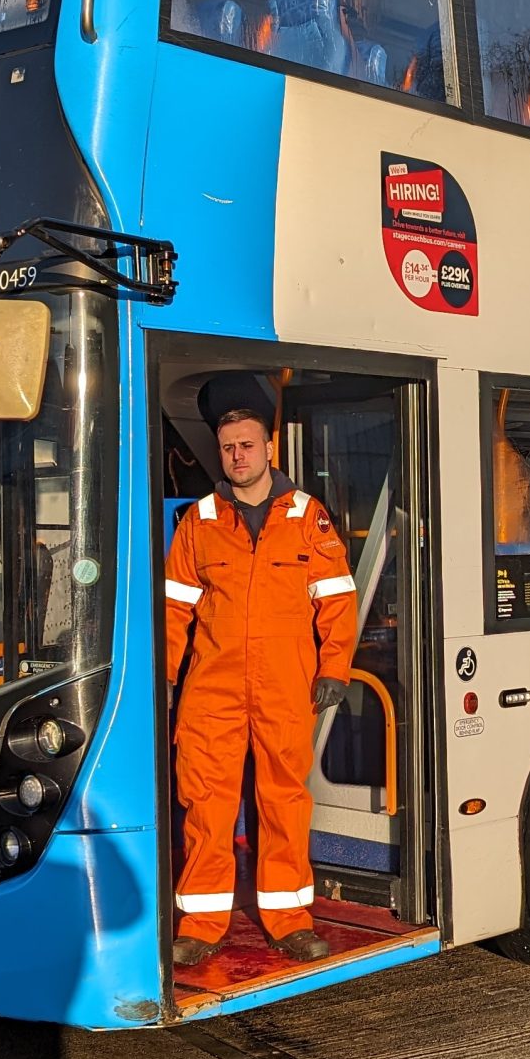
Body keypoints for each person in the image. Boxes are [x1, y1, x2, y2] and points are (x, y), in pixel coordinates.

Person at [161, 373, 359, 968]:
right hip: (212, 690)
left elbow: (338, 600)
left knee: (284, 802)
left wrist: (335, 668)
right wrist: (164, 677)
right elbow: (174, 608)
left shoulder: (307, 517)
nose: (238, 456)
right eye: (228, 447)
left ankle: (290, 920)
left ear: (268, 448)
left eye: (247, 444)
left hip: (284, 686)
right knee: (205, 804)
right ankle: (200, 923)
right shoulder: (199, 521)